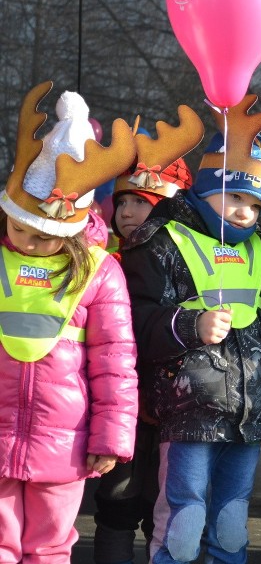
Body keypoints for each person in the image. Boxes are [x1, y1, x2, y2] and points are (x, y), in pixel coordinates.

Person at [119, 95, 261, 564]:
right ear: (206, 189)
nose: (245, 214)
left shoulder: (260, 247)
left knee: (232, 520)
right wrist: (190, 325)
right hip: (190, 412)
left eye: (256, 205)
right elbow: (138, 318)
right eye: (235, 197)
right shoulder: (163, 241)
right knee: (184, 518)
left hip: (248, 414)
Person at [0, 84, 138, 561]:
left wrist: (111, 438)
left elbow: (115, 361)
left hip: (65, 442)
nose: (30, 243)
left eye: (46, 236)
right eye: (20, 229)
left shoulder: (100, 272)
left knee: (50, 546)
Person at [92, 108, 202, 564]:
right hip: (125, 408)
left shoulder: (190, 256)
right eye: (123, 202)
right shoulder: (103, 257)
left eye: (142, 202)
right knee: (117, 504)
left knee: (171, 508)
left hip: (175, 406)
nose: (129, 212)